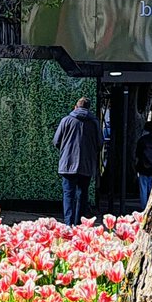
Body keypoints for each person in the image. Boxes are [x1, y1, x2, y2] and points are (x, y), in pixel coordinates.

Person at [53, 96, 103, 226]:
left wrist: (66, 151)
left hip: (68, 164)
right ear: (88, 108)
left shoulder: (66, 120)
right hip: (86, 165)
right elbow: (100, 144)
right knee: (82, 195)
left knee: (68, 195)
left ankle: (68, 225)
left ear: (76, 107)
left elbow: (56, 141)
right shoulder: (94, 122)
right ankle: (79, 224)